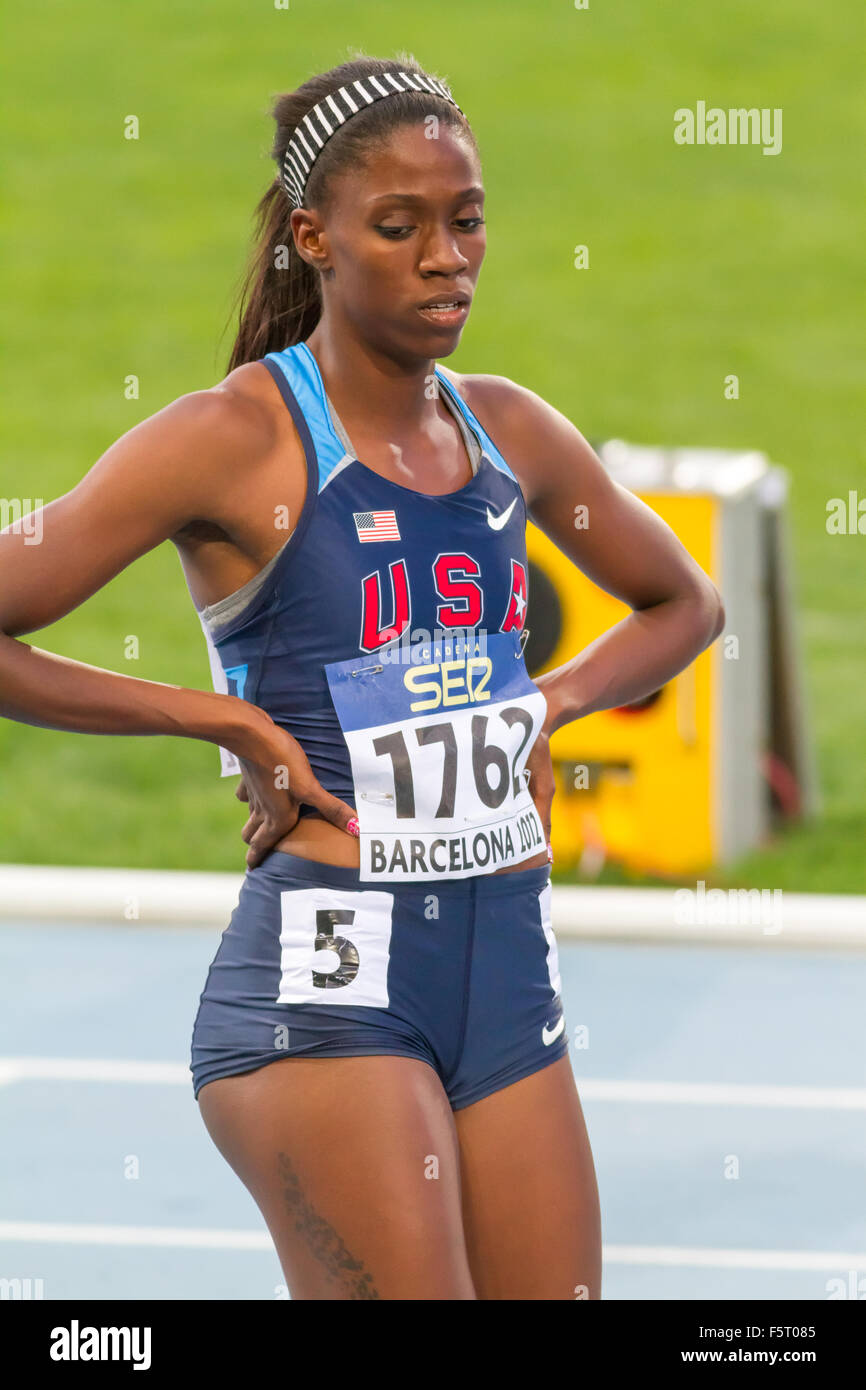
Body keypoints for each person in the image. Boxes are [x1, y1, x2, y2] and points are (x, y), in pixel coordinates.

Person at [0, 52, 724, 1300]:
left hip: (504, 967)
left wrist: (541, 702)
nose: (447, 257)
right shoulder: (233, 439)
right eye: (400, 227)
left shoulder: (509, 430)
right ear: (312, 239)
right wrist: (215, 716)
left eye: (467, 220)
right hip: (326, 987)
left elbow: (686, 603)